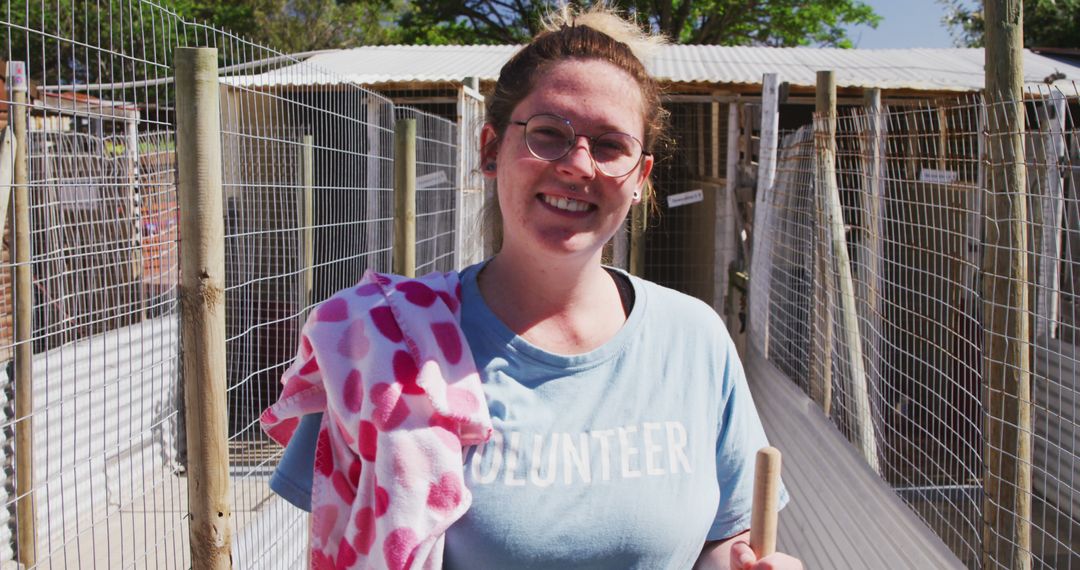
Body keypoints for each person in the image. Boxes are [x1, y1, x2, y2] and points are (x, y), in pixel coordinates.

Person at [268, 4, 801, 569]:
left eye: (610, 145)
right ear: (491, 149)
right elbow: (344, 541)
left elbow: (720, 543)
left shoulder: (694, 340)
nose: (577, 164)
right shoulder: (382, 345)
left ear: (640, 179)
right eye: (548, 134)